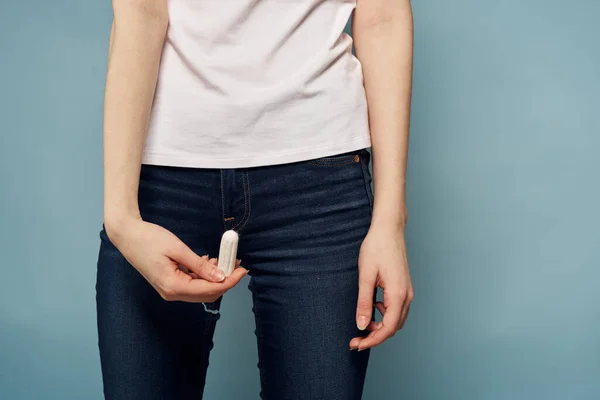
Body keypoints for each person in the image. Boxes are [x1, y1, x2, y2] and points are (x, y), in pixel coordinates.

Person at [95, 0, 414, 398]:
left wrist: (390, 221)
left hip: (319, 185)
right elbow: (140, 11)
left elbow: (383, 15)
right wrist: (122, 219)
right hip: (165, 180)